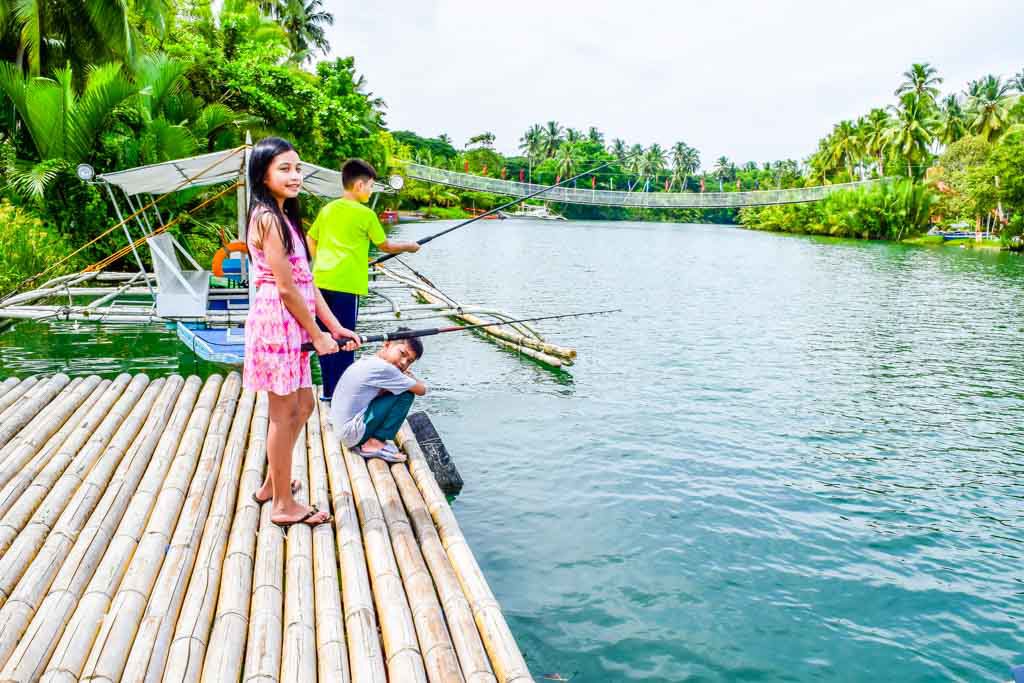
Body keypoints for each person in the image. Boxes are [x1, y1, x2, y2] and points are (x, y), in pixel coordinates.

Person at [243, 136, 361, 529]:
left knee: (304, 406)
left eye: (298, 168)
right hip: (278, 320)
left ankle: (271, 482)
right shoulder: (266, 218)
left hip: (294, 318)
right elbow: (285, 287)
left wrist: (336, 327)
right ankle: (281, 504)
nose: (295, 176)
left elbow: (305, 282)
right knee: (283, 413)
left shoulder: (285, 215)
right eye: (284, 168)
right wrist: (319, 334)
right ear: (263, 174)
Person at [307, 159, 421, 402]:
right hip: (346, 286)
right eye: (370, 186)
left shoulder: (328, 209)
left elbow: (311, 238)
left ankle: (328, 393)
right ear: (359, 185)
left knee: (325, 339)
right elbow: (386, 245)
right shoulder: (366, 214)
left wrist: (322, 260)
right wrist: (410, 247)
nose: (370, 190)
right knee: (347, 341)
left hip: (320, 283)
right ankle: (341, 397)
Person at [329, 332, 427, 463]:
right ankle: (374, 443)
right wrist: (410, 377)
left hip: (341, 429)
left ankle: (372, 439)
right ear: (386, 344)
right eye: (402, 354)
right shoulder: (385, 369)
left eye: (409, 361)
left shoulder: (369, 360)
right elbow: (422, 390)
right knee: (406, 394)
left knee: (394, 390)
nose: (404, 362)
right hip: (350, 434)